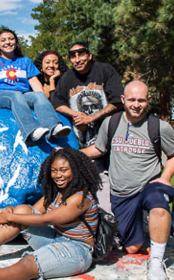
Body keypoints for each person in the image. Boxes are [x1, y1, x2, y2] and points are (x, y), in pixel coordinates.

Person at [81, 81, 174, 280]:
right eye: (132, 100)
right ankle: (146, 222)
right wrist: (72, 154)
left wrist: (165, 178)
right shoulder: (111, 123)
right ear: (123, 100)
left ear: (149, 100)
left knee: (159, 204)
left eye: (141, 100)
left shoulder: (159, 127)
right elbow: (99, 149)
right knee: (132, 248)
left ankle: (156, 262)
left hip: (148, 184)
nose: (136, 104)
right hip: (121, 191)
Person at [0, 147, 101, 280]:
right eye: (54, 170)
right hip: (55, 238)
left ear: (75, 171)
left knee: (30, 261)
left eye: (64, 170)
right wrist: (11, 211)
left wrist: (9, 216)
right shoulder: (56, 192)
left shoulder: (80, 197)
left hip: (78, 250)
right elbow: (32, 213)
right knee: (22, 210)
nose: (58, 175)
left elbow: (46, 219)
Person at [51, 42, 124, 213]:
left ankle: (116, 219)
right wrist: (76, 115)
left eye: (81, 54)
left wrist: (91, 117)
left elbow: (117, 101)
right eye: (72, 56)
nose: (77, 59)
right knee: (92, 179)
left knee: (115, 180)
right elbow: (57, 103)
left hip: (109, 136)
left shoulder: (105, 70)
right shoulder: (68, 78)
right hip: (84, 141)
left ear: (89, 55)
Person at [0, 29, 71, 145]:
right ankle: (32, 131)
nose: (8, 42)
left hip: (23, 95)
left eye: (11, 39)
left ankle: (53, 127)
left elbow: (36, 86)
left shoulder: (25, 61)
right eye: (3, 40)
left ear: (16, 42)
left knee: (38, 95)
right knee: (15, 95)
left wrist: (43, 101)